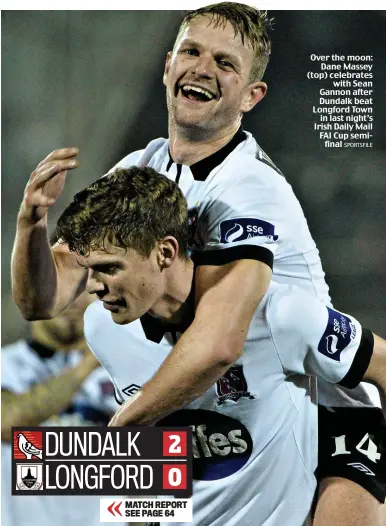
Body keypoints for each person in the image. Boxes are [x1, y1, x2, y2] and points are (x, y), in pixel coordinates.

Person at [10, 3, 385, 524]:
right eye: (191, 51)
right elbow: (43, 299)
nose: (202, 68)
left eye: (225, 63)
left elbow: (220, 343)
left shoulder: (251, 192)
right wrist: (31, 225)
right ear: (168, 66)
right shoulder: (140, 169)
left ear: (252, 96)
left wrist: (116, 438)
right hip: (219, 408)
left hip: (315, 404)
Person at [55, 166, 386, 526]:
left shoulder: (280, 316)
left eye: (109, 268)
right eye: (88, 269)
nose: (94, 287)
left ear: (164, 252)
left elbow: (382, 366)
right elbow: (150, 448)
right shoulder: (104, 328)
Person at [1, 290, 119, 526]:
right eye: (63, 288)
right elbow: (6, 421)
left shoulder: (123, 371)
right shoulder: (6, 363)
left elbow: (156, 472)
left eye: (83, 289)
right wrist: (87, 364)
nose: (74, 300)